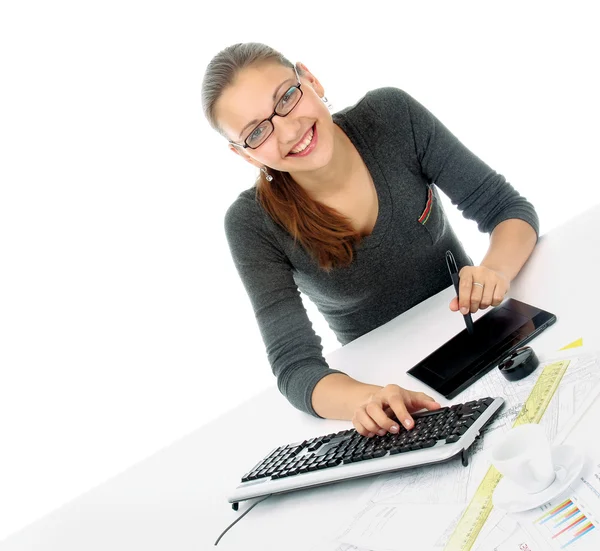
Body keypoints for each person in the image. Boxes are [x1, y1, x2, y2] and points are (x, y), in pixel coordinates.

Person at [201, 42, 538, 439]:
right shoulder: (250, 224)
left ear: (309, 79)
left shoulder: (391, 117)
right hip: (392, 384)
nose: (289, 130)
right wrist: (366, 400)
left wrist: (494, 270)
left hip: (481, 336)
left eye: (287, 98)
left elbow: (505, 207)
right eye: (257, 132)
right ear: (246, 155)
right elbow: (295, 366)